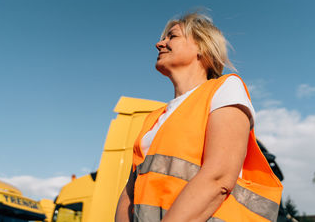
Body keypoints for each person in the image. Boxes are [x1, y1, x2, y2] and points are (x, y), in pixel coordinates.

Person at [115, 12, 283, 222]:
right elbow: (129, 194)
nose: (160, 44)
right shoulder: (152, 119)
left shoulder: (224, 88)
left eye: (172, 37)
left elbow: (219, 177)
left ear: (202, 47)